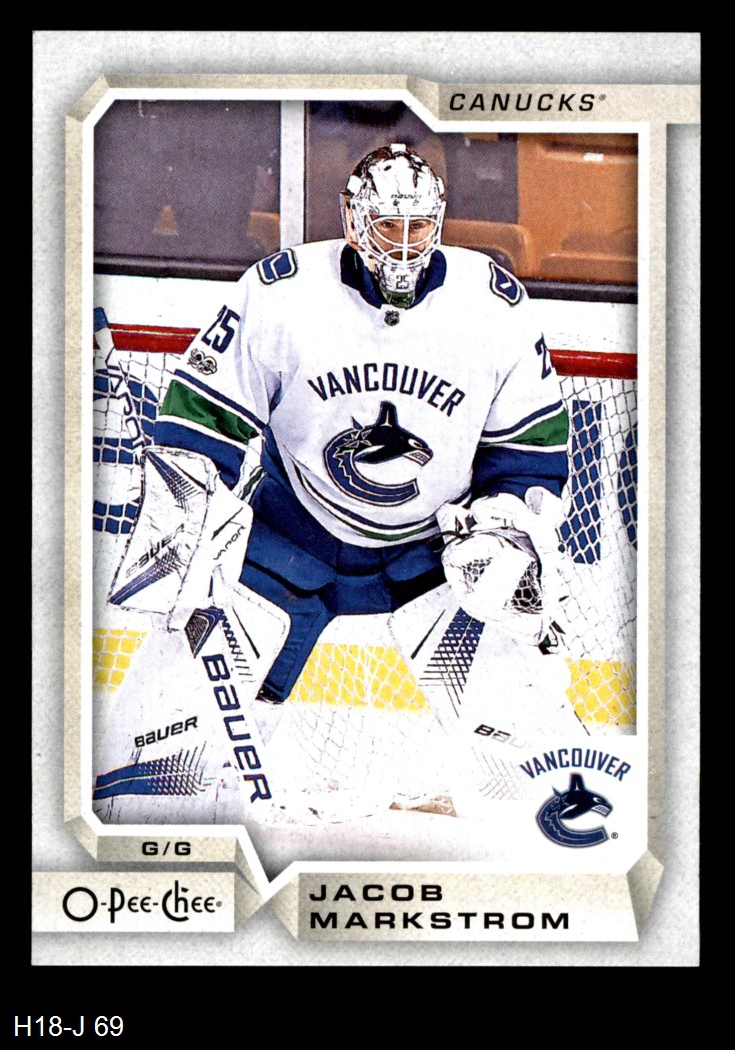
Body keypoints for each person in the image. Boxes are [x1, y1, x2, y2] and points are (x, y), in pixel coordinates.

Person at [149, 142, 571, 708]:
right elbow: (202, 416)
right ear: (353, 220)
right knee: (186, 709)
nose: (403, 244)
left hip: (436, 551)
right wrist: (186, 519)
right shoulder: (282, 294)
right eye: (387, 225)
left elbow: (529, 450)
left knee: (516, 715)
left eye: (418, 226)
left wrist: (503, 528)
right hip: (291, 534)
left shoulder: (494, 306)